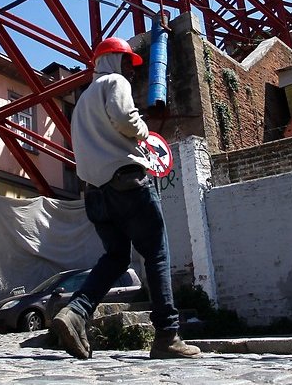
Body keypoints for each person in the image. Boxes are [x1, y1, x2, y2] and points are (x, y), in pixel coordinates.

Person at [52, 36, 201, 360]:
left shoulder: (81, 105)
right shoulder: (114, 82)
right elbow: (124, 118)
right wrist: (143, 131)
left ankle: (75, 312)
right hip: (127, 184)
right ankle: (167, 336)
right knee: (156, 256)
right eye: (127, 63)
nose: (130, 72)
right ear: (114, 61)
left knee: (116, 257)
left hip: (96, 195)